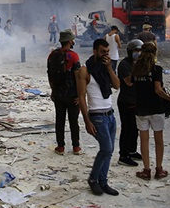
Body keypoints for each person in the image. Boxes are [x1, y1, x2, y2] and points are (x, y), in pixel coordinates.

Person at [129, 42, 170, 180]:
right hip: (156, 108)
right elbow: (157, 90)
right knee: (159, 140)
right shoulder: (157, 69)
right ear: (155, 53)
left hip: (141, 109)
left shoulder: (136, 69)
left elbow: (130, 82)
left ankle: (146, 170)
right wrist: (169, 98)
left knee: (144, 140)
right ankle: (159, 169)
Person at [78, 38, 120, 196]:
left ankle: (103, 182)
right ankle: (93, 179)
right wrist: (86, 121)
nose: (106, 55)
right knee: (106, 149)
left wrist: (109, 68)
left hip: (110, 114)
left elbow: (117, 85)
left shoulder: (105, 67)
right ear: (95, 51)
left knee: (109, 151)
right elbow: (81, 96)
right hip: (97, 115)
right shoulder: (85, 71)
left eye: (108, 52)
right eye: (103, 52)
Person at [47, 30, 82, 156]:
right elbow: (78, 77)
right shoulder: (73, 56)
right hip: (72, 94)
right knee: (74, 121)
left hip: (58, 94)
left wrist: (53, 91)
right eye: (72, 39)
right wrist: (80, 95)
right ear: (69, 41)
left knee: (59, 120)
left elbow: (50, 75)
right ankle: (76, 147)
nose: (73, 41)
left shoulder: (52, 55)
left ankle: (60, 147)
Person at [116, 39, 144, 167]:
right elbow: (129, 81)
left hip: (137, 99)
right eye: (136, 51)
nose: (138, 53)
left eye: (140, 51)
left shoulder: (139, 63)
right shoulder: (124, 64)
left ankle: (132, 150)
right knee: (127, 128)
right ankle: (123, 154)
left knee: (135, 128)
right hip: (126, 100)